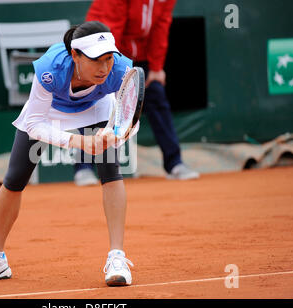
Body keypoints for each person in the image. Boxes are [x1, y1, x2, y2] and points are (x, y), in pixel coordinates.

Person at [0, 21, 135, 286]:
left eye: (108, 58)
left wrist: (115, 133)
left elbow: (131, 116)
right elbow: (34, 124)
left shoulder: (121, 70)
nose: (104, 67)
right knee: (15, 178)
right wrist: (80, 142)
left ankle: (117, 258)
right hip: (50, 111)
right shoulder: (52, 69)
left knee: (110, 170)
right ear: (75, 56)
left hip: (99, 107)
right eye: (96, 59)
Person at [74, 0, 200, 186]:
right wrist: (110, 68)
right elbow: (112, 29)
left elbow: (160, 26)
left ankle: (175, 163)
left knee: (156, 94)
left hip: (138, 54)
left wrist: (156, 68)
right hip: (101, 52)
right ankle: (83, 168)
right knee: (98, 103)